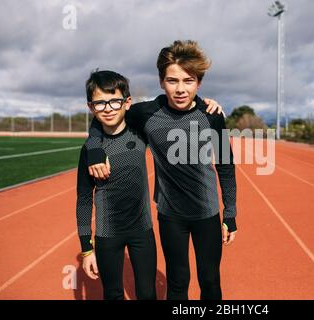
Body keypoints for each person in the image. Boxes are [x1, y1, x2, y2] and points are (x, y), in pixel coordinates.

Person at [85, 40, 237, 300]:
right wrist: (95, 149)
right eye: (172, 80)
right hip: (170, 216)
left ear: (198, 83)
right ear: (161, 81)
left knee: (210, 281)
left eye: (188, 81)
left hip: (207, 213)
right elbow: (105, 114)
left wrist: (230, 214)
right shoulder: (145, 113)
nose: (180, 89)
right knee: (178, 282)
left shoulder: (212, 115)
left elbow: (225, 165)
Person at [76, 70, 157, 300]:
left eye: (114, 101)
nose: (108, 108)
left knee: (147, 293)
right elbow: (83, 199)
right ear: (91, 107)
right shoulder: (89, 151)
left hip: (142, 230)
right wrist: (86, 248)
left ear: (127, 102)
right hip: (107, 233)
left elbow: (167, 108)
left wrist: (202, 103)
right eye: (100, 103)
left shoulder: (140, 132)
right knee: (112, 294)